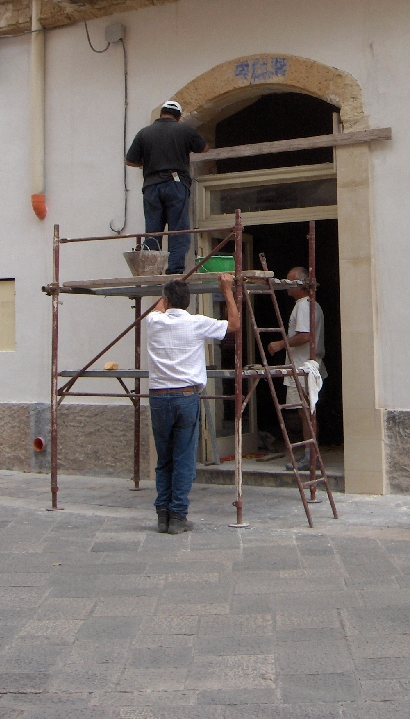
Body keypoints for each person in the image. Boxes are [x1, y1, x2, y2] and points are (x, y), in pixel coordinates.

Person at [147, 274, 239, 534]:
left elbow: (158, 307)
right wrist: (227, 290)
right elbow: (234, 324)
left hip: (158, 396)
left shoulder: (154, 322)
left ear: (166, 300)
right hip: (185, 396)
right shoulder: (198, 323)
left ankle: (162, 514)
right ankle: (177, 515)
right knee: (184, 457)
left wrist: (166, 294)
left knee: (164, 458)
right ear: (189, 302)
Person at [125, 100, 209, 274]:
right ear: (178, 117)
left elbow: (130, 160)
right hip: (175, 183)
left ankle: (150, 270)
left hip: (151, 186)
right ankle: (175, 271)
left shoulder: (144, 133)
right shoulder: (183, 130)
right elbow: (204, 148)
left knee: (153, 232)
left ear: (161, 113)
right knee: (178, 230)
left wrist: (149, 162)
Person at [267, 267, 326, 470]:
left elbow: (304, 336)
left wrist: (280, 344)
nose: (287, 286)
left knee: (306, 413)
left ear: (300, 284)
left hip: (303, 366)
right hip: (308, 364)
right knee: (307, 412)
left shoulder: (303, 306)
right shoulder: (312, 305)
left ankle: (310, 455)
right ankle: (311, 454)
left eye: (290, 282)